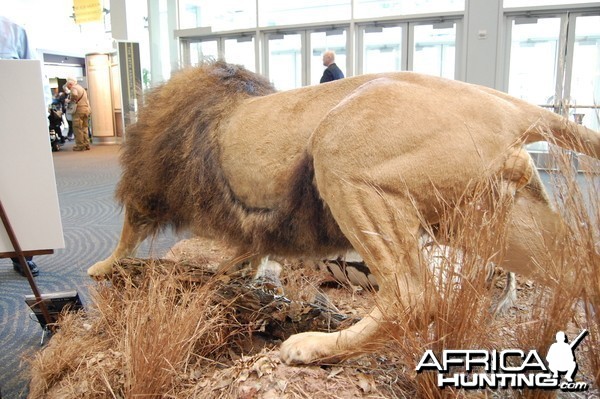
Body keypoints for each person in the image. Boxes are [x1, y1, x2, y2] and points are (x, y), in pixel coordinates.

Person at [0, 15, 41, 277]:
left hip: (10, 127)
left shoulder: (14, 31)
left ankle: (22, 254)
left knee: (18, 192)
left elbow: (32, 80)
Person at [65, 77, 91, 151]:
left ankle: (80, 145)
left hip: (78, 110)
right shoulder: (81, 88)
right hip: (86, 109)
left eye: (68, 86)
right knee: (85, 127)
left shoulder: (74, 88)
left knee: (77, 128)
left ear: (70, 84)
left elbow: (74, 95)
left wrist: (69, 100)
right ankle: (86, 144)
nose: (68, 88)